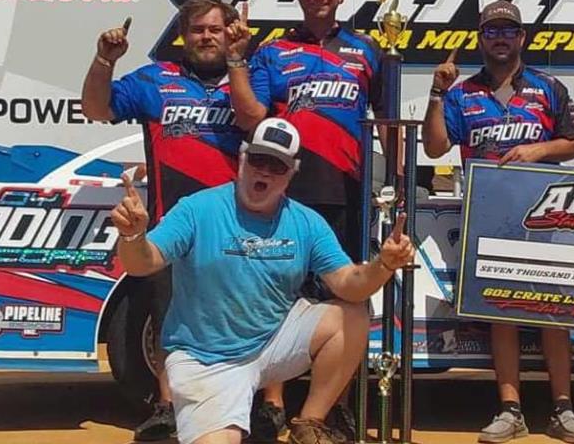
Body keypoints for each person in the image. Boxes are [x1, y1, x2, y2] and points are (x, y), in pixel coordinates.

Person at [110, 117, 415, 444]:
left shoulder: (306, 222)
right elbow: (144, 262)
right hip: (206, 358)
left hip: (273, 343)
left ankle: (309, 422)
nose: (265, 171)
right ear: (242, 157)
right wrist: (133, 236)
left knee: (351, 314)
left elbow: (348, 283)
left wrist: (383, 265)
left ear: (292, 172)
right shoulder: (197, 209)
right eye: (258, 159)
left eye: (277, 165)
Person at [225, 0, 384, 439]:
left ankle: (330, 407)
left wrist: (395, 185)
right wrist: (237, 59)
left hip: (347, 192)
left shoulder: (368, 51)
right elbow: (250, 116)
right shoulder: (274, 53)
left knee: (342, 297)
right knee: (278, 295)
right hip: (286, 192)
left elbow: (389, 118)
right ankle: (272, 403)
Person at [422, 0, 574, 444]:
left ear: (522, 38)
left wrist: (538, 150)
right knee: (502, 313)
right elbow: (437, 147)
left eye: (509, 31)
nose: (501, 38)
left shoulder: (548, 87)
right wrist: (436, 93)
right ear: (481, 39)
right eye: (492, 31)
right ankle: (510, 409)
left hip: (544, 217)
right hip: (488, 218)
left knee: (554, 312)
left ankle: (563, 409)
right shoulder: (461, 92)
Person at [81, 0, 246, 441]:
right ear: (183, 35)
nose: (206, 36)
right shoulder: (157, 78)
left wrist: (240, 63)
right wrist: (103, 61)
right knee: (170, 319)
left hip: (238, 223)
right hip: (170, 223)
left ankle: (247, 409)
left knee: (248, 317)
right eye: (197, 29)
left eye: (214, 28)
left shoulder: (246, 79)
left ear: (229, 31)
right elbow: (97, 109)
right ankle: (168, 409)